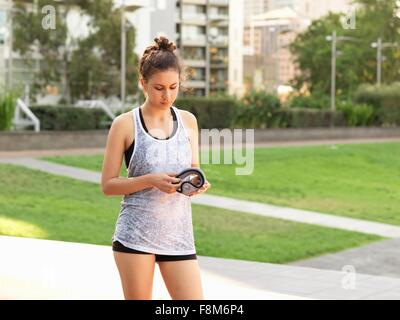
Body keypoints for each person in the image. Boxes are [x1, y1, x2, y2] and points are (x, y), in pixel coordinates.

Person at [101, 36, 211, 300]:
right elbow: (108, 185)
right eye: (159, 88)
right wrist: (151, 180)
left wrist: (196, 185)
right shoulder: (125, 124)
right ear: (143, 83)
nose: (168, 95)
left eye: (174, 87)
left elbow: (193, 168)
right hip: (135, 237)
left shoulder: (189, 121)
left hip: (178, 236)